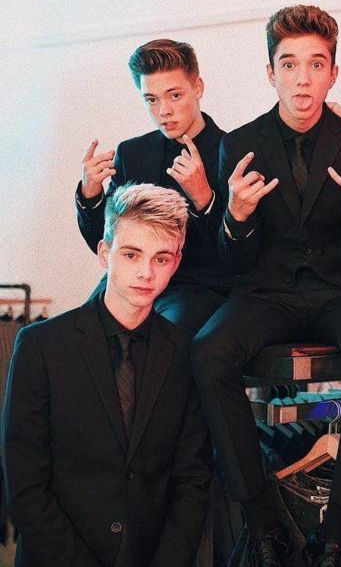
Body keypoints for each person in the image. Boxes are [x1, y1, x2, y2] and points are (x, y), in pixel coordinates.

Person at [191, 5, 341, 567]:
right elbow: (234, 262)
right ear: (271, 73)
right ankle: (261, 519)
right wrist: (236, 218)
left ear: (333, 73)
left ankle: (340, 528)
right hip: (266, 294)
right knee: (208, 352)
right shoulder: (239, 142)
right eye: (289, 64)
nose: (302, 78)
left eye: (316, 64)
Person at [2, 183, 212, 567]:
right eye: (132, 254)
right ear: (104, 253)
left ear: (177, 261)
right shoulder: (40, 346)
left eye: (161, 258)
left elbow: (193, 480)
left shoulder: (186, 352)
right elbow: (24, 485)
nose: (146, 272)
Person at [75, 39, 233, 333]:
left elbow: (234, 255)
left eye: (175, 96)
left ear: (198, 88)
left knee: (161, 337)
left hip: (196, 288)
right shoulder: (132, 153)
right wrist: (91, 193)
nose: (164, 111)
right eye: (151, 100)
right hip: (127, 282)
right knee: (73, 335)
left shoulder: (232, 151)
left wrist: (204, 198)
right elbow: (104, 241)